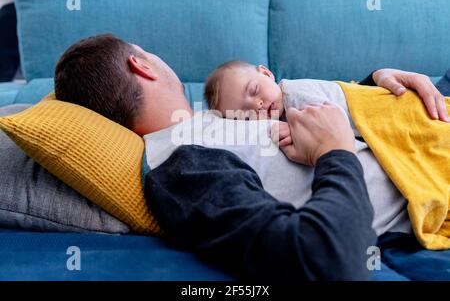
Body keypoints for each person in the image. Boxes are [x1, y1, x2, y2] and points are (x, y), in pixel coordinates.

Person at [54, 34, 447, 280]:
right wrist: (334, 151)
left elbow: (302, 106)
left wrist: (375, 86)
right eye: (150, 53)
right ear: (141, 65)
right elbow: (329, 259)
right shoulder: (185, 165)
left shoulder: (206, 123)